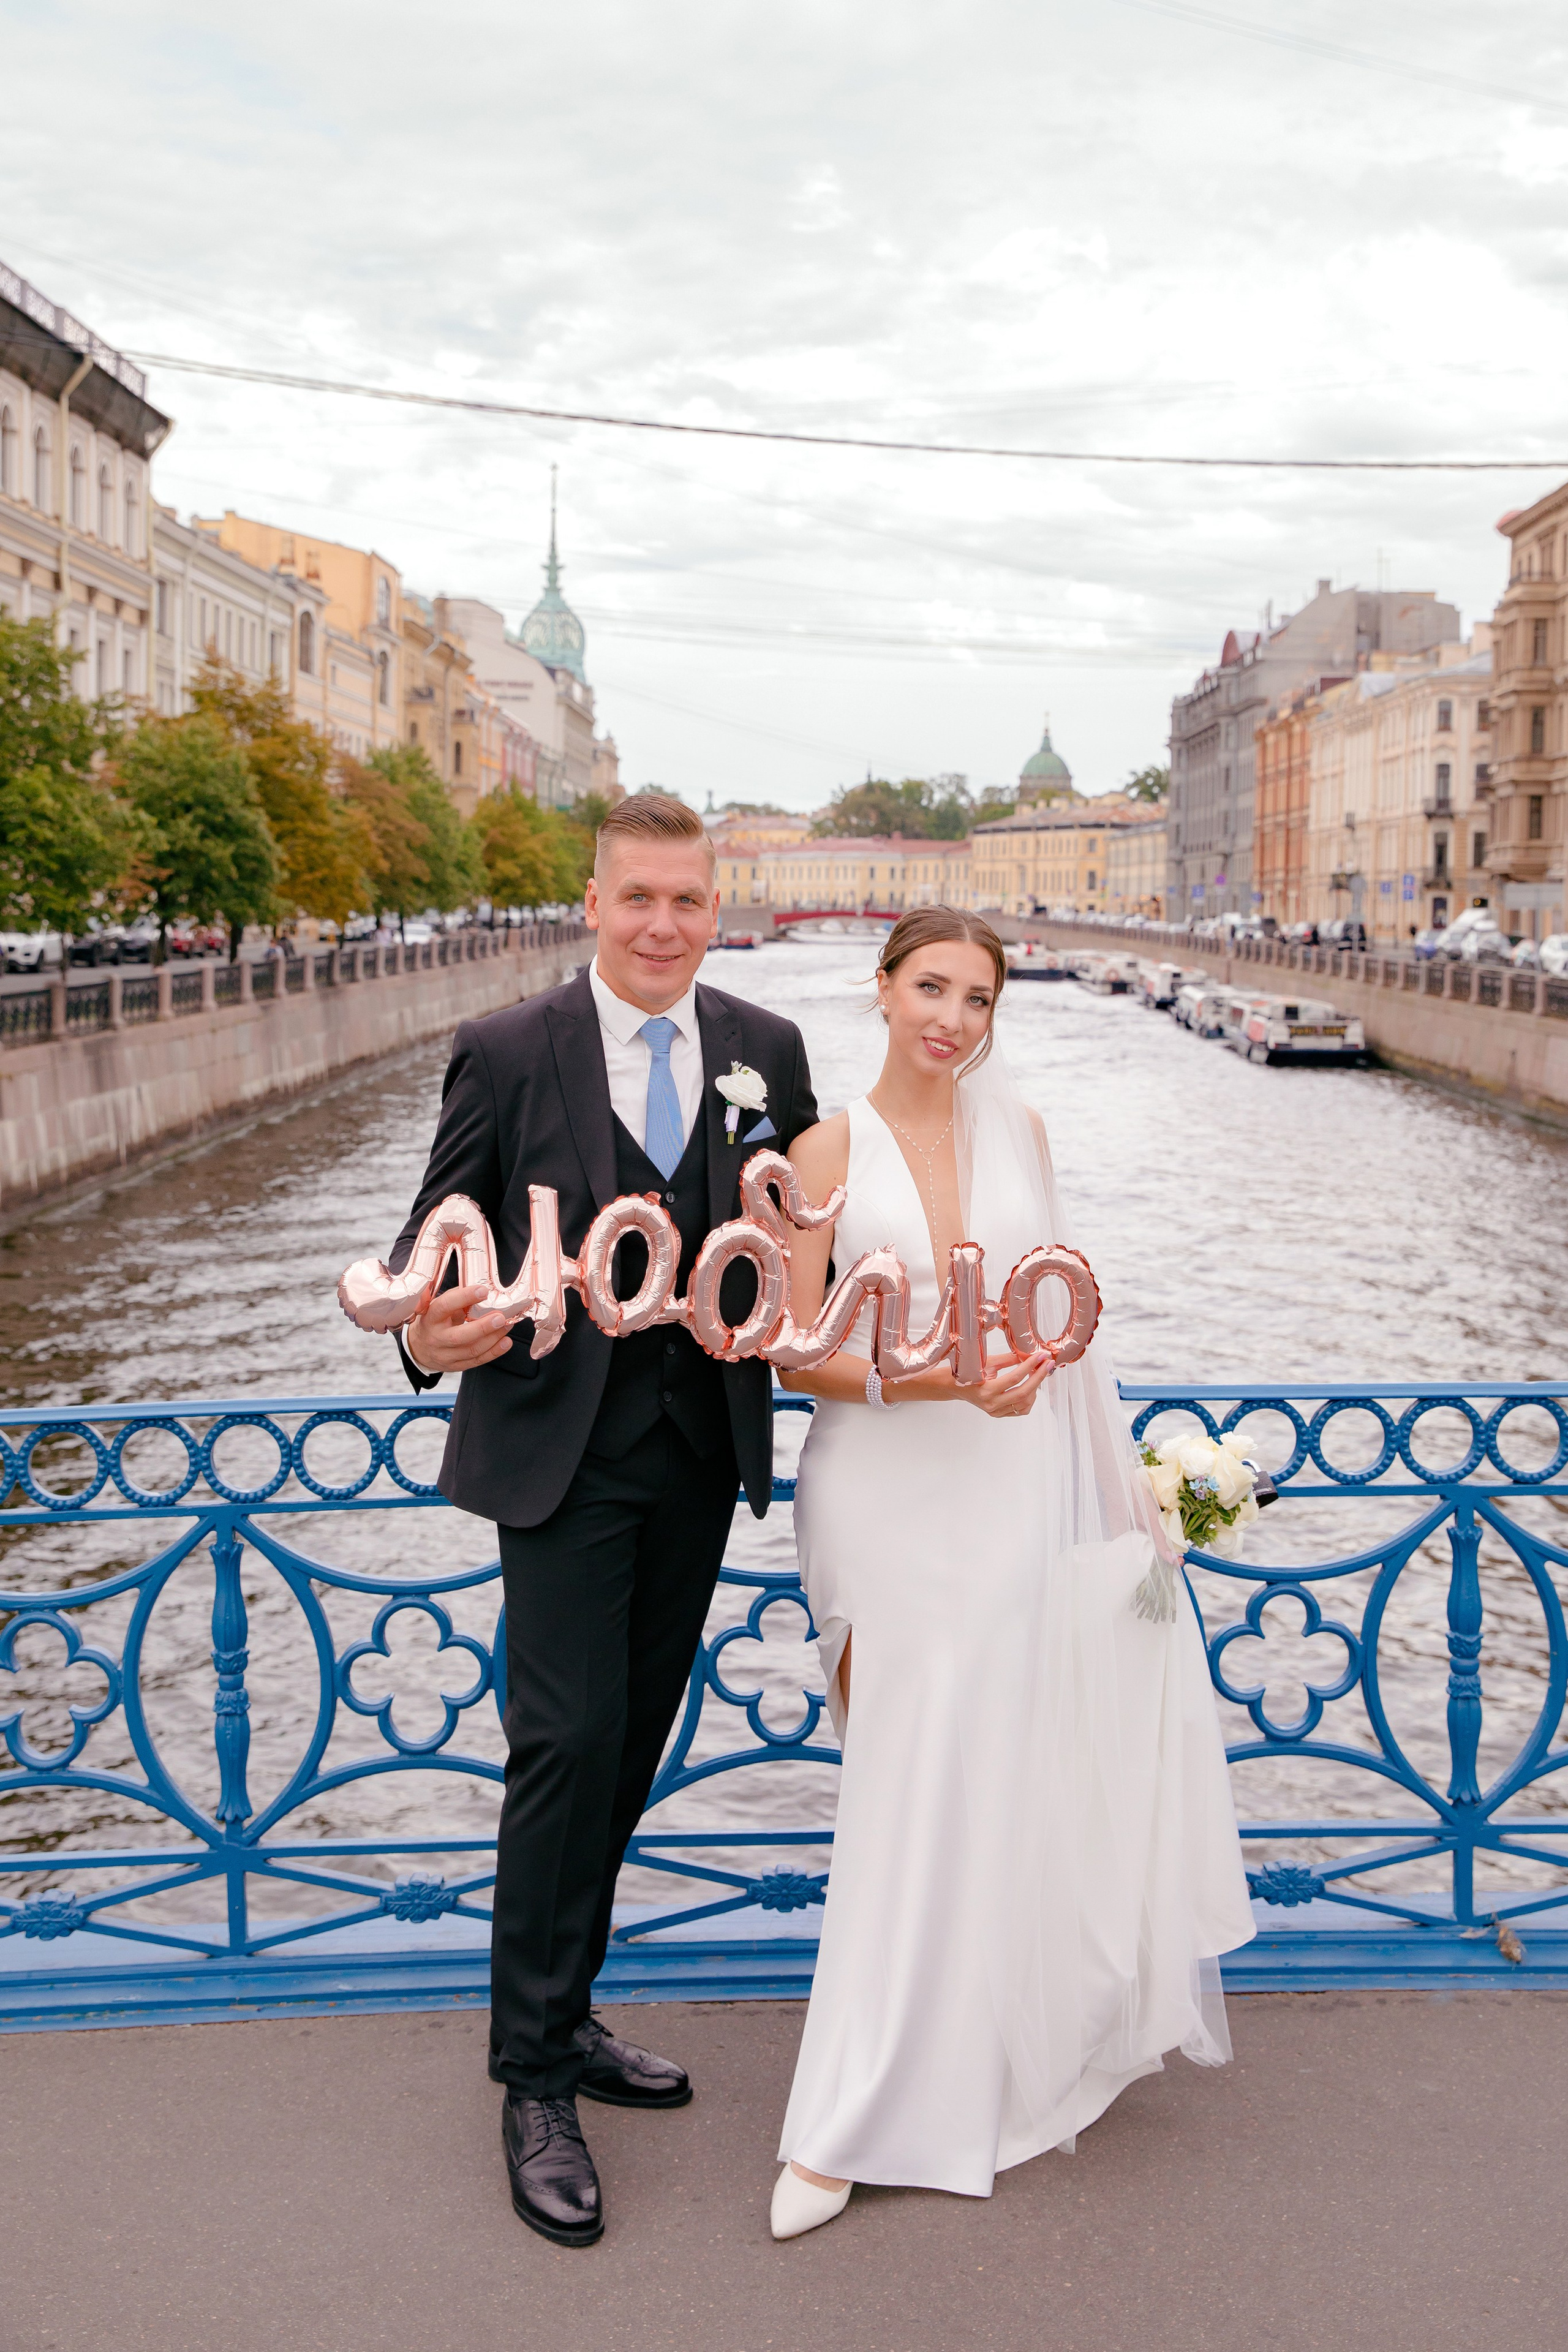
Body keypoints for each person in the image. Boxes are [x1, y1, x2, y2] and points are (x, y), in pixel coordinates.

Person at [768, 905, 1254, 2239]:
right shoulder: (819, 1149)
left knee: (997, 1775)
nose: (953, 1018)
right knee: (895, 1787)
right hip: (878, 1489)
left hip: (1007, 1487)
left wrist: (1127, 1506)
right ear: (880, 990)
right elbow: (786, 1349)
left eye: (978, 999)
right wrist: (927, 1379)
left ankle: (979, 2061)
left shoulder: (1024, 1137)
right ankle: (846, 2114)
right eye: (931, 987)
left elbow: (1066, 1339)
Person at [388, 795, 818, 2248]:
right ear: (591, 902)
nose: (662, 926)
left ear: (714, 906)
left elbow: (803, 1243)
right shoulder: (507, 1050)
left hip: (696, 1452)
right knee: (563, 1742)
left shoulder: (767, 1051)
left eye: (687, 902)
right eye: (637, 898)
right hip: (558, 1457)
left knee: (630, 1736)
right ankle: (530, 2082)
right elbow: (428, 1251)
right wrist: (425, 1339)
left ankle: (565, 2018)